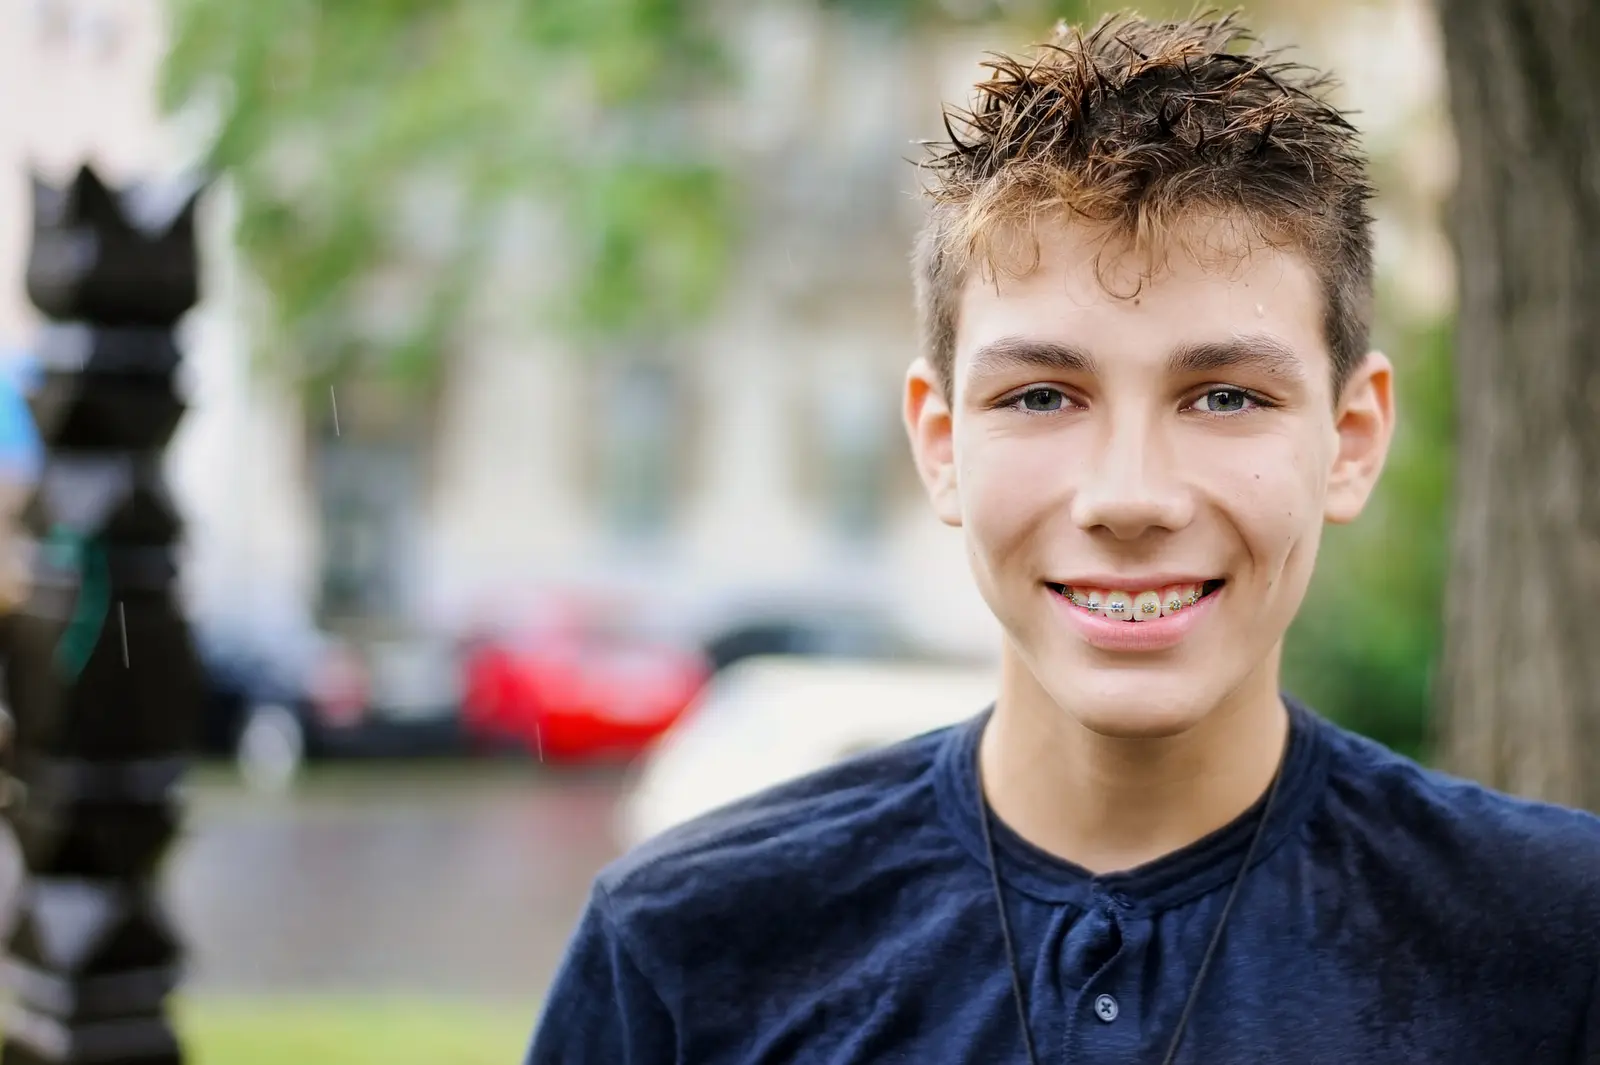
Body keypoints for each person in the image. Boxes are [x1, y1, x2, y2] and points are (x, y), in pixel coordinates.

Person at [525, 12, 1600, 1063]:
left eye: (1223, 396)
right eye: (1042, 396)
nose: (1128, 497)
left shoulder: (1557, 936)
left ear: (1351, 439)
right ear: (941, 443)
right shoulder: (684, 942)